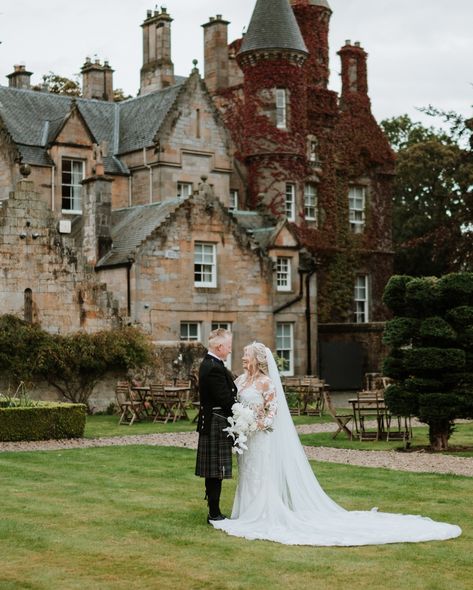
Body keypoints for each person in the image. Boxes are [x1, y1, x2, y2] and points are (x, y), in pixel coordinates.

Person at [210, 342, 462, 546]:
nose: (242, 357)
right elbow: (234, 404)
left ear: (257, 359)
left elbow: (272, 411)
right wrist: (240, 423)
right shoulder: (240, 381)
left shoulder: (267, 382)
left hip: (260, 437)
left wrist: (255, 424)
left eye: (246, 354)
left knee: (262, 476)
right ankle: (245, 513)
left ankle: (263, 515)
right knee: (248, 475)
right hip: (246, 440)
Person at [195, 328, 237, 523]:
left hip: (213, 421)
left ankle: (213, 510)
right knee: (216, 471)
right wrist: (243, 415)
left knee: (214, 471)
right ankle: (214, 513)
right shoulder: (213, 367)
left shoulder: (212, 363)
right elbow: (226, 399)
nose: (230, 350)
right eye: (228, 347)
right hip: (217, 422)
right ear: (220, 347)